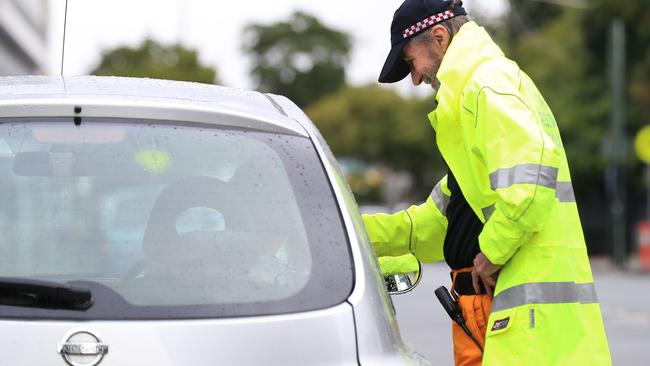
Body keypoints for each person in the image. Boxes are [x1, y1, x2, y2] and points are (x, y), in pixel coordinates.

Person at [362, 0, 612, 365]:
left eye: (410, 61)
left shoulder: (485, 86)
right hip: (495, 314)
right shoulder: (478, 93)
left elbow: (531, 183)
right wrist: (350, 232)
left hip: (517, 316)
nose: (414, 77)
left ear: (439, 37)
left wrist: (491, 253)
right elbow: (436, 224)